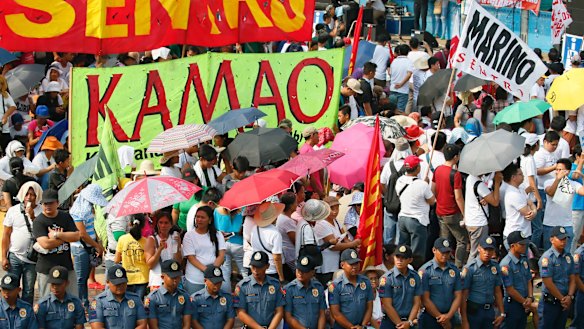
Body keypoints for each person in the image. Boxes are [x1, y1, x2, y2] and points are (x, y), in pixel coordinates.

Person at [33, 189, 80, 298]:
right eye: (45, 203)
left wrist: (57, 235)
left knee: (72, 298)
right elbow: (45, 244)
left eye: (51, 203)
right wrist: (66, 237)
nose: (48, 206)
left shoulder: (65, 217)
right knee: (46, 300)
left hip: (66, 265)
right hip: (46, 267)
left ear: (57, 203)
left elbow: (77, 236)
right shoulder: (39, 221)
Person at [1, 182, 42, 305]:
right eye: (27, 194)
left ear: (37, 196)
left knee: (28, 291)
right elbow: (6, 235)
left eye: (32, 195)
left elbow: (42, 233)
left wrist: (33, 217)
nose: (29, 197)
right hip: (15, 256)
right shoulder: (13, 211)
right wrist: (3, 257)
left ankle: (26, 316)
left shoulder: (42, 211)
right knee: (10, 287)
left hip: (32, 259)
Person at [70, 184, 108, 307]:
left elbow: (91, 228)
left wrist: (97, 242)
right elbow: (82, 234)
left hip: (89, 245)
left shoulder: (89, 209)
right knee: (80, 278)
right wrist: (97, 245)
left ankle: (84, 302)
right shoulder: (77, 212)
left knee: (85, 277)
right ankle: (81, 303)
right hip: (81, 247)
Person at [396, 155, 435, 268]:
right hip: (417, 221)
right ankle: (415, 273)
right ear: (417, 168)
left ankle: (402, 269)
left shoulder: (400, 180)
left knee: (403, 250)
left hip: (403, 218)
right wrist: (426, 184)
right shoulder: (422, 185)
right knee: (417, 253)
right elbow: (432, 201)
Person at [432, 144, 467, 268]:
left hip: (440, 211)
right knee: (462, 240)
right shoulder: (455, 174)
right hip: (452, 212)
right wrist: (464, 214)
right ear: (456, 157)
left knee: (444, 241)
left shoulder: (437, 170)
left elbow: (433, 189)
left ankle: (440, 264)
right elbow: (458, 197)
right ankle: (458, 266)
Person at [314, 196, 360, 286]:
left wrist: (353, 245)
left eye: (337, 208)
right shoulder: (321, 224)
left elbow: (344, 237)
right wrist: (352, 243)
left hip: (337, 263)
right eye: (332, 208)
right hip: (326, 266)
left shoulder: (336, 221)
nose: (335, 211)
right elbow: (333, 247)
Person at [461, 236, 505, 329]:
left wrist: (501, 312)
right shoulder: (470, 268)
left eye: (490, 250)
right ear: (479, 248)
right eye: (485, 249)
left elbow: (497, 291)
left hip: (489, 311)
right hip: (474, 311)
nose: (487, 253)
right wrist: (464, 320)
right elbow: (463, 295)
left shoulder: (495, 267)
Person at [418, 238, 462, 329]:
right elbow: (425, 299)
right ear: (434, 250)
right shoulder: (425, 271)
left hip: (450, 316)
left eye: (447, 252)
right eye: (442, 252)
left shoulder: (454, 270)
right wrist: (441, 318)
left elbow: (458, 295)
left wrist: (448, 316)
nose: (445, 255)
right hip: (430, 318)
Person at [538, 226, 577, 329]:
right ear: (552, 240)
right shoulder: (547, 258)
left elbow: (573, 278)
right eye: (560, 239)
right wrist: (563, 299)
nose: (563, 242)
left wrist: (569, 296)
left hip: (565, 301)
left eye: (565, 239)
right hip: (551, 303)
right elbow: (548, 282)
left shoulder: (568, 256)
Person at [233, 251, 285, 329]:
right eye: (253, 266)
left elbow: (279, 311)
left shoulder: (275, 285)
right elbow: (240, 313)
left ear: (267, 266)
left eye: (259, 267)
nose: (255, 270)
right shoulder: (242, 286)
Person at [182, 206, 226, 295]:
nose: (199, 220)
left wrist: (212, 272)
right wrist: (208, 271)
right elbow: (191, 258)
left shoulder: (218, 235)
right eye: (197, 217)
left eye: (202, 217)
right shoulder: (189, 235)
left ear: (209, 220)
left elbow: (221, 255)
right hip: (195, 279)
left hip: (214, 279)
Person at [89, 264, 148, 329]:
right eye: (117, 284)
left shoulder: (135, 299)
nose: (120, 286)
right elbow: (96, 326)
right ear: (108, 282)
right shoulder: (98, 301)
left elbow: (142, 323)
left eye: (123, 283)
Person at [378, 245, 422, 329]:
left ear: (410, 260)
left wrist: (409, 322)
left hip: (409, 321)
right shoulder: (386, 278)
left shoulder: (415, 277)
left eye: (403, 258)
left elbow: (416, 302)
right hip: (390, 322)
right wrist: (400, 324)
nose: (399, 260)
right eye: (397, 257)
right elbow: (387, 305)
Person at [328, 248, 374, 329]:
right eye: (351, 264)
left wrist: (362, 326)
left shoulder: (366, 282)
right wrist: (351, 327)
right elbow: (336, 313)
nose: (355, 267)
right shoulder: (335, 285)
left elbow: (369, 307)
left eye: (356, 263)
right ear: (342, 265)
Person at [465, 172, 503, 263]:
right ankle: (469, 273)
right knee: (476, 252)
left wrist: (486, 197)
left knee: (475, 251)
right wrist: (497, 183)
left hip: (471, 221)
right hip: (479, 223)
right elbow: (495, 202)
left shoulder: (470, 177)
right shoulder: (479, 184)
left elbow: (486, 195)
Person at [499, 231, 534, 329]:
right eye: (521, 244)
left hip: (524, 302)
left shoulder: (523, 259)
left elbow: (528, 279)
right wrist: (525, 302)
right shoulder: (506, 264)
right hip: (513, 305)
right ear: (512, 246)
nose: (524, 246)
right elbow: (510, 289)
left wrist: (530, 297)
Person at [144, 260, 191, 329]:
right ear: (162, 277)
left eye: (177, 276)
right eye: (172, 277)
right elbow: (153, 326)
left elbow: (187, 323)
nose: (175, 280)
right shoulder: (153, 298)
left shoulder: (185, 296)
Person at [283, 255, 327, 329]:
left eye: (304, 271)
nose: (300, 273)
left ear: (312, 272)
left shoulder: (318, 287)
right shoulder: (289, 289)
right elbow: (288, 317)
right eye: (298, 270)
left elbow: (322, 313)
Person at [533, 130, 560, 249]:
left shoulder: (553, 154)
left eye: (556, 144)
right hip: (541, 190)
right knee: (540, 223)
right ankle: (536, 248)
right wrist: (554, 167)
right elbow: (537, 171)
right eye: (552, 144)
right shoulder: (540, 154)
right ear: (545, 142)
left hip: (551, 189)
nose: (554, 147)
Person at [114, 214, 149, 299]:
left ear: (129, 223)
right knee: (139, 304)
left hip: (127, 278)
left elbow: (116, 260)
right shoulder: (146, 241)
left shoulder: (122, 239)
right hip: (142, 278)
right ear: (143, 225)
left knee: (128, 304)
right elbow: (148, 261)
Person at [144, 212, 181, 290]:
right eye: (160, 222)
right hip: (157, 281)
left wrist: (178, 247)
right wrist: (159, 249)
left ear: (171, 224)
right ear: (157, 224)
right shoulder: (152, 239)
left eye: (166, 223)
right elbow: (150, 265)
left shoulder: (175, 237)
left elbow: (178, 262)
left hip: (173, 280)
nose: (163, 226)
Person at [502, 163, 537, 246]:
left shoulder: (520, 189)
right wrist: (534, 210)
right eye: (520, 174)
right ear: (513, 177)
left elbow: (531, 203)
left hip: (523, 233)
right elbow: (528, 214)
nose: (523, 176)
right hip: (515, 236)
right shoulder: (512, 194)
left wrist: (533, 210)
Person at [250, 202, 286, 281]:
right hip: (272, 270)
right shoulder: (275, 233)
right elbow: (277, 258)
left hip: (258, 268)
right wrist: (281, 276)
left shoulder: (254, 229)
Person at [214, 205, 245, 292]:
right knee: (243, 271)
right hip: (238, 244)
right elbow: (241, 229)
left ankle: (227, 293)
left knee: (226, 270)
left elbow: (215, 228)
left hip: (224, 244)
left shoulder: (217, 211)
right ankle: (246, 291)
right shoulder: (242, 211)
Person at [276, 192, 299, 281]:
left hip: (288, 255)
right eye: (295, 202)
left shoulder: (283, 217)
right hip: (291, 256)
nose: (297, 204)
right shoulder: (287, 221)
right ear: (291, 205)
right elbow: (295, 240)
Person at [389, 45, 414, 112]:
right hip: (403, 91)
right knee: (400, 111)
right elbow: (409, 74)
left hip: (393, 88)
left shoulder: (394, 61)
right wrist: (401, 84)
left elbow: (390, 73)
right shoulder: (409, 62)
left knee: (391, 109)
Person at [0, 75, 17, 153]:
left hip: (3, 129)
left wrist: (5, 116)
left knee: (6, 150)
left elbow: (13, 106)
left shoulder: (5, 95)